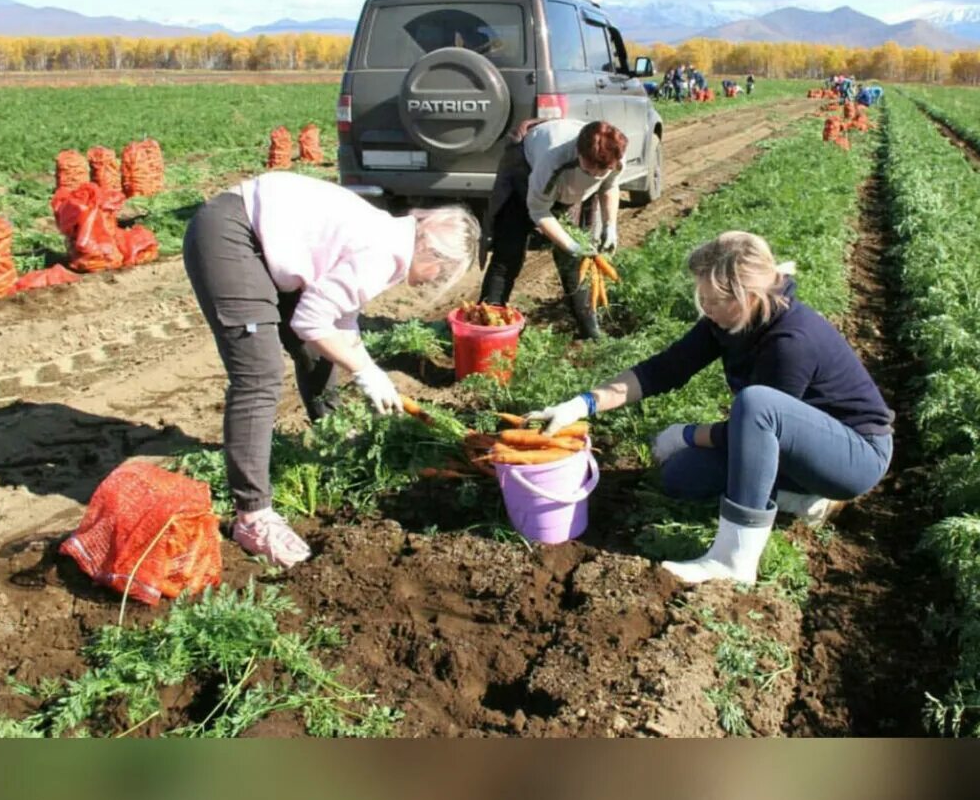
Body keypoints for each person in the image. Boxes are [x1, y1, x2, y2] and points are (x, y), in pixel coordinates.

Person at [525, 231, 894, 585]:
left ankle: (734, 561)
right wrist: (582, 404)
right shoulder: (728, 321)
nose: (708, 310)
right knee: (681, 477)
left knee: (757, 404)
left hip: (852, 456)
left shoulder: (790, 342)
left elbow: (754, 427)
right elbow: (664, 369)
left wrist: (687, 434)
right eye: (704, 300)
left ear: (747, 296)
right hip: (793, 450)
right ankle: (803, 501)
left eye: (715, 301)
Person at [183, 171, 481, 567]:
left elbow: (338, 321)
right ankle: (253, 516)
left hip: (261, 236)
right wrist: (364, 371)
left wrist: (368, 365)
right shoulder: (385, 251)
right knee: (260, 374)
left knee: (319, 350)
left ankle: (336, 435)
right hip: (232, 235)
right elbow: (311, 321)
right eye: (440, 273)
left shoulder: (389, 235)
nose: (434, 281)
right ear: (432, 252)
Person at [478, 118, 626, 339]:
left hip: (565, 187)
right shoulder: (553, 160)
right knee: (509, 251)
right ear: (578, 153)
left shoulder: (614, 158)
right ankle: (488, 321)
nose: (596, 175)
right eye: (590, 168)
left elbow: (610, 185)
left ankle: (590, 330)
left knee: (576, 263)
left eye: (601, 169)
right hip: (524, 171)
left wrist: (610, 225)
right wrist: (570, 244)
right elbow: (538, 211)